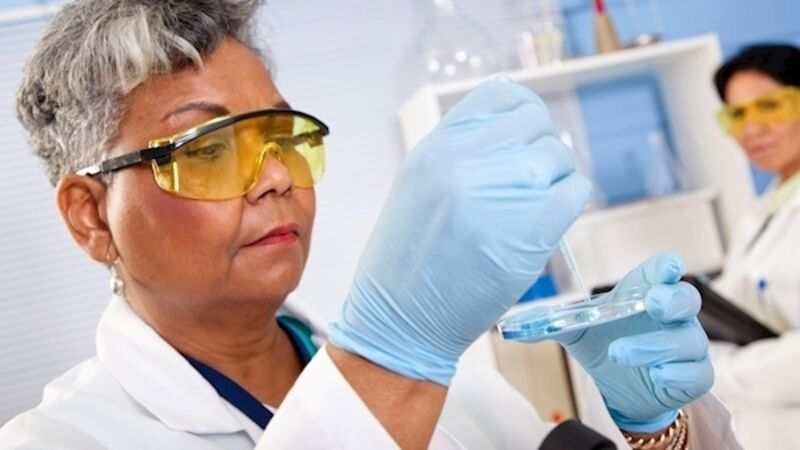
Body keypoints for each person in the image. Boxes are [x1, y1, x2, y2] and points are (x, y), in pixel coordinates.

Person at [0, 1, 738, 448]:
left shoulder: (452, 376)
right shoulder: (60, 440)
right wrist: (395, 359)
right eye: (212, 149)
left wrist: (659, 431)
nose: (277, 177)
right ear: (91, 215)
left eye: (283, 136)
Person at [711, 43, 800, 449]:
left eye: (769, 107)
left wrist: (721, 372)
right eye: (737, 115)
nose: (751, 130)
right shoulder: (762, 212)